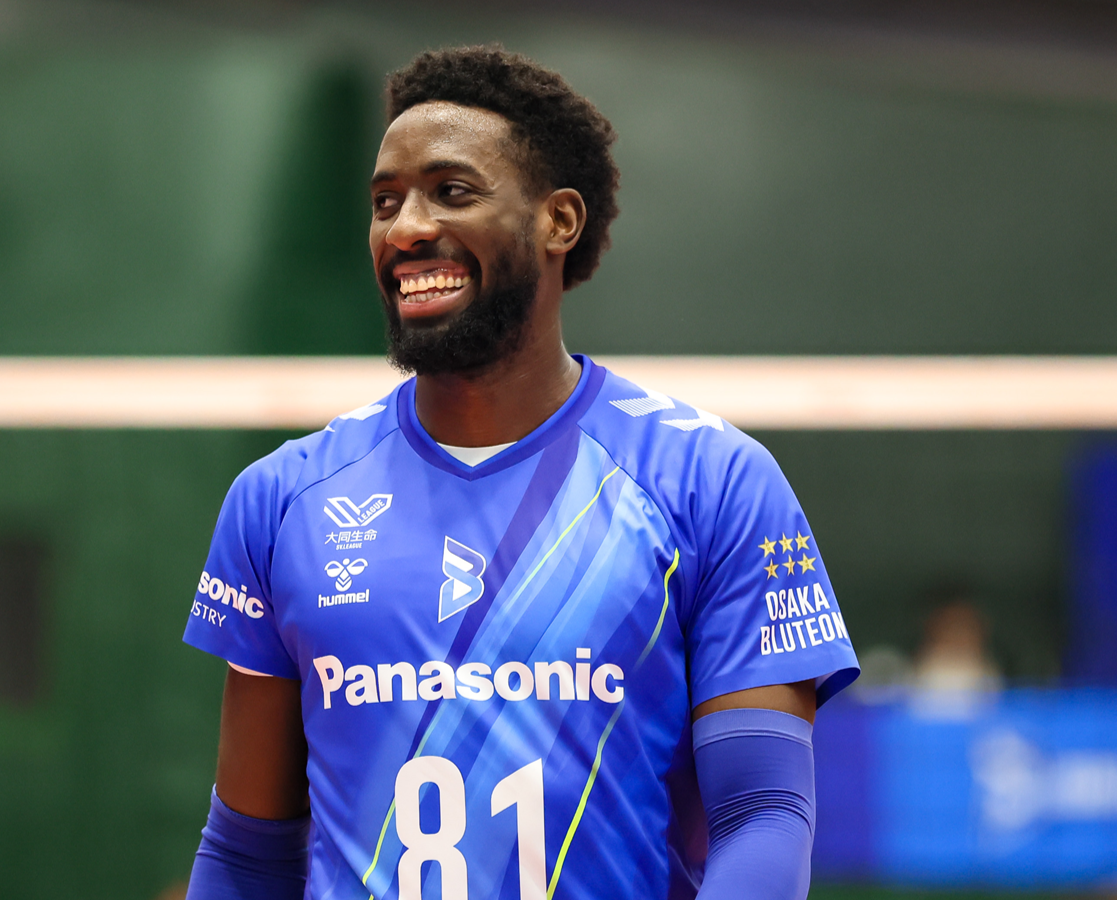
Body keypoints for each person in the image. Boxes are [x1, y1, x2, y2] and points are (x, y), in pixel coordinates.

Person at [181, 45, 859, 900]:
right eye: (386, 201)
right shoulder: (282, 500)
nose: (405, 228)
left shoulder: (708, 480)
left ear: (558, 221)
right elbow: (247, 853)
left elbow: (763, 814)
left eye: (451, 191)